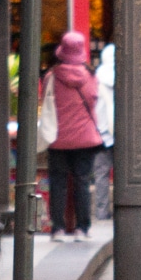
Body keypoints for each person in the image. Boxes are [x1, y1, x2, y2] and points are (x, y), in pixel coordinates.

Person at [41, 33, 105, 239]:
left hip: (58, 139)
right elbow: (97, 102)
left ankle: (58, 228)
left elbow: (46, 104)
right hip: (85, 139)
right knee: (82, 182)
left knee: (58, 183)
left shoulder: (52, 77)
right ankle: (82, 228)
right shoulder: (90, 76)